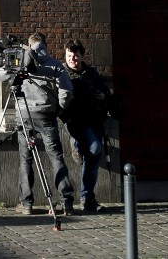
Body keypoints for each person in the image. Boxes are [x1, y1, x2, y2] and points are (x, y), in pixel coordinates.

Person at [0, 32, 75, 215]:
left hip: (23, 116)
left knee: (26, 160)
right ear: (45, 45)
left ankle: (27, 204)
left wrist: (9, 62)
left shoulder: (20, 64)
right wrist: (60, 108)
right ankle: (66, 202)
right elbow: (67, 91)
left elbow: (1, 77)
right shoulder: (55, 65)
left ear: (30, 45)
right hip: (47, 116)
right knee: (56, 158)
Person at [60, 39, 111, 212]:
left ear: (82, 56)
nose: (72, 59)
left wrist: (102, 95)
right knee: (95, 149)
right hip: (76, 121)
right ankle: (76, 148)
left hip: (94, 119)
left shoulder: (91, 73)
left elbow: (105, 90)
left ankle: (87, 198)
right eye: (69, 56)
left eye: (75, 56)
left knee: (93, 160)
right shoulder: (62, 73)